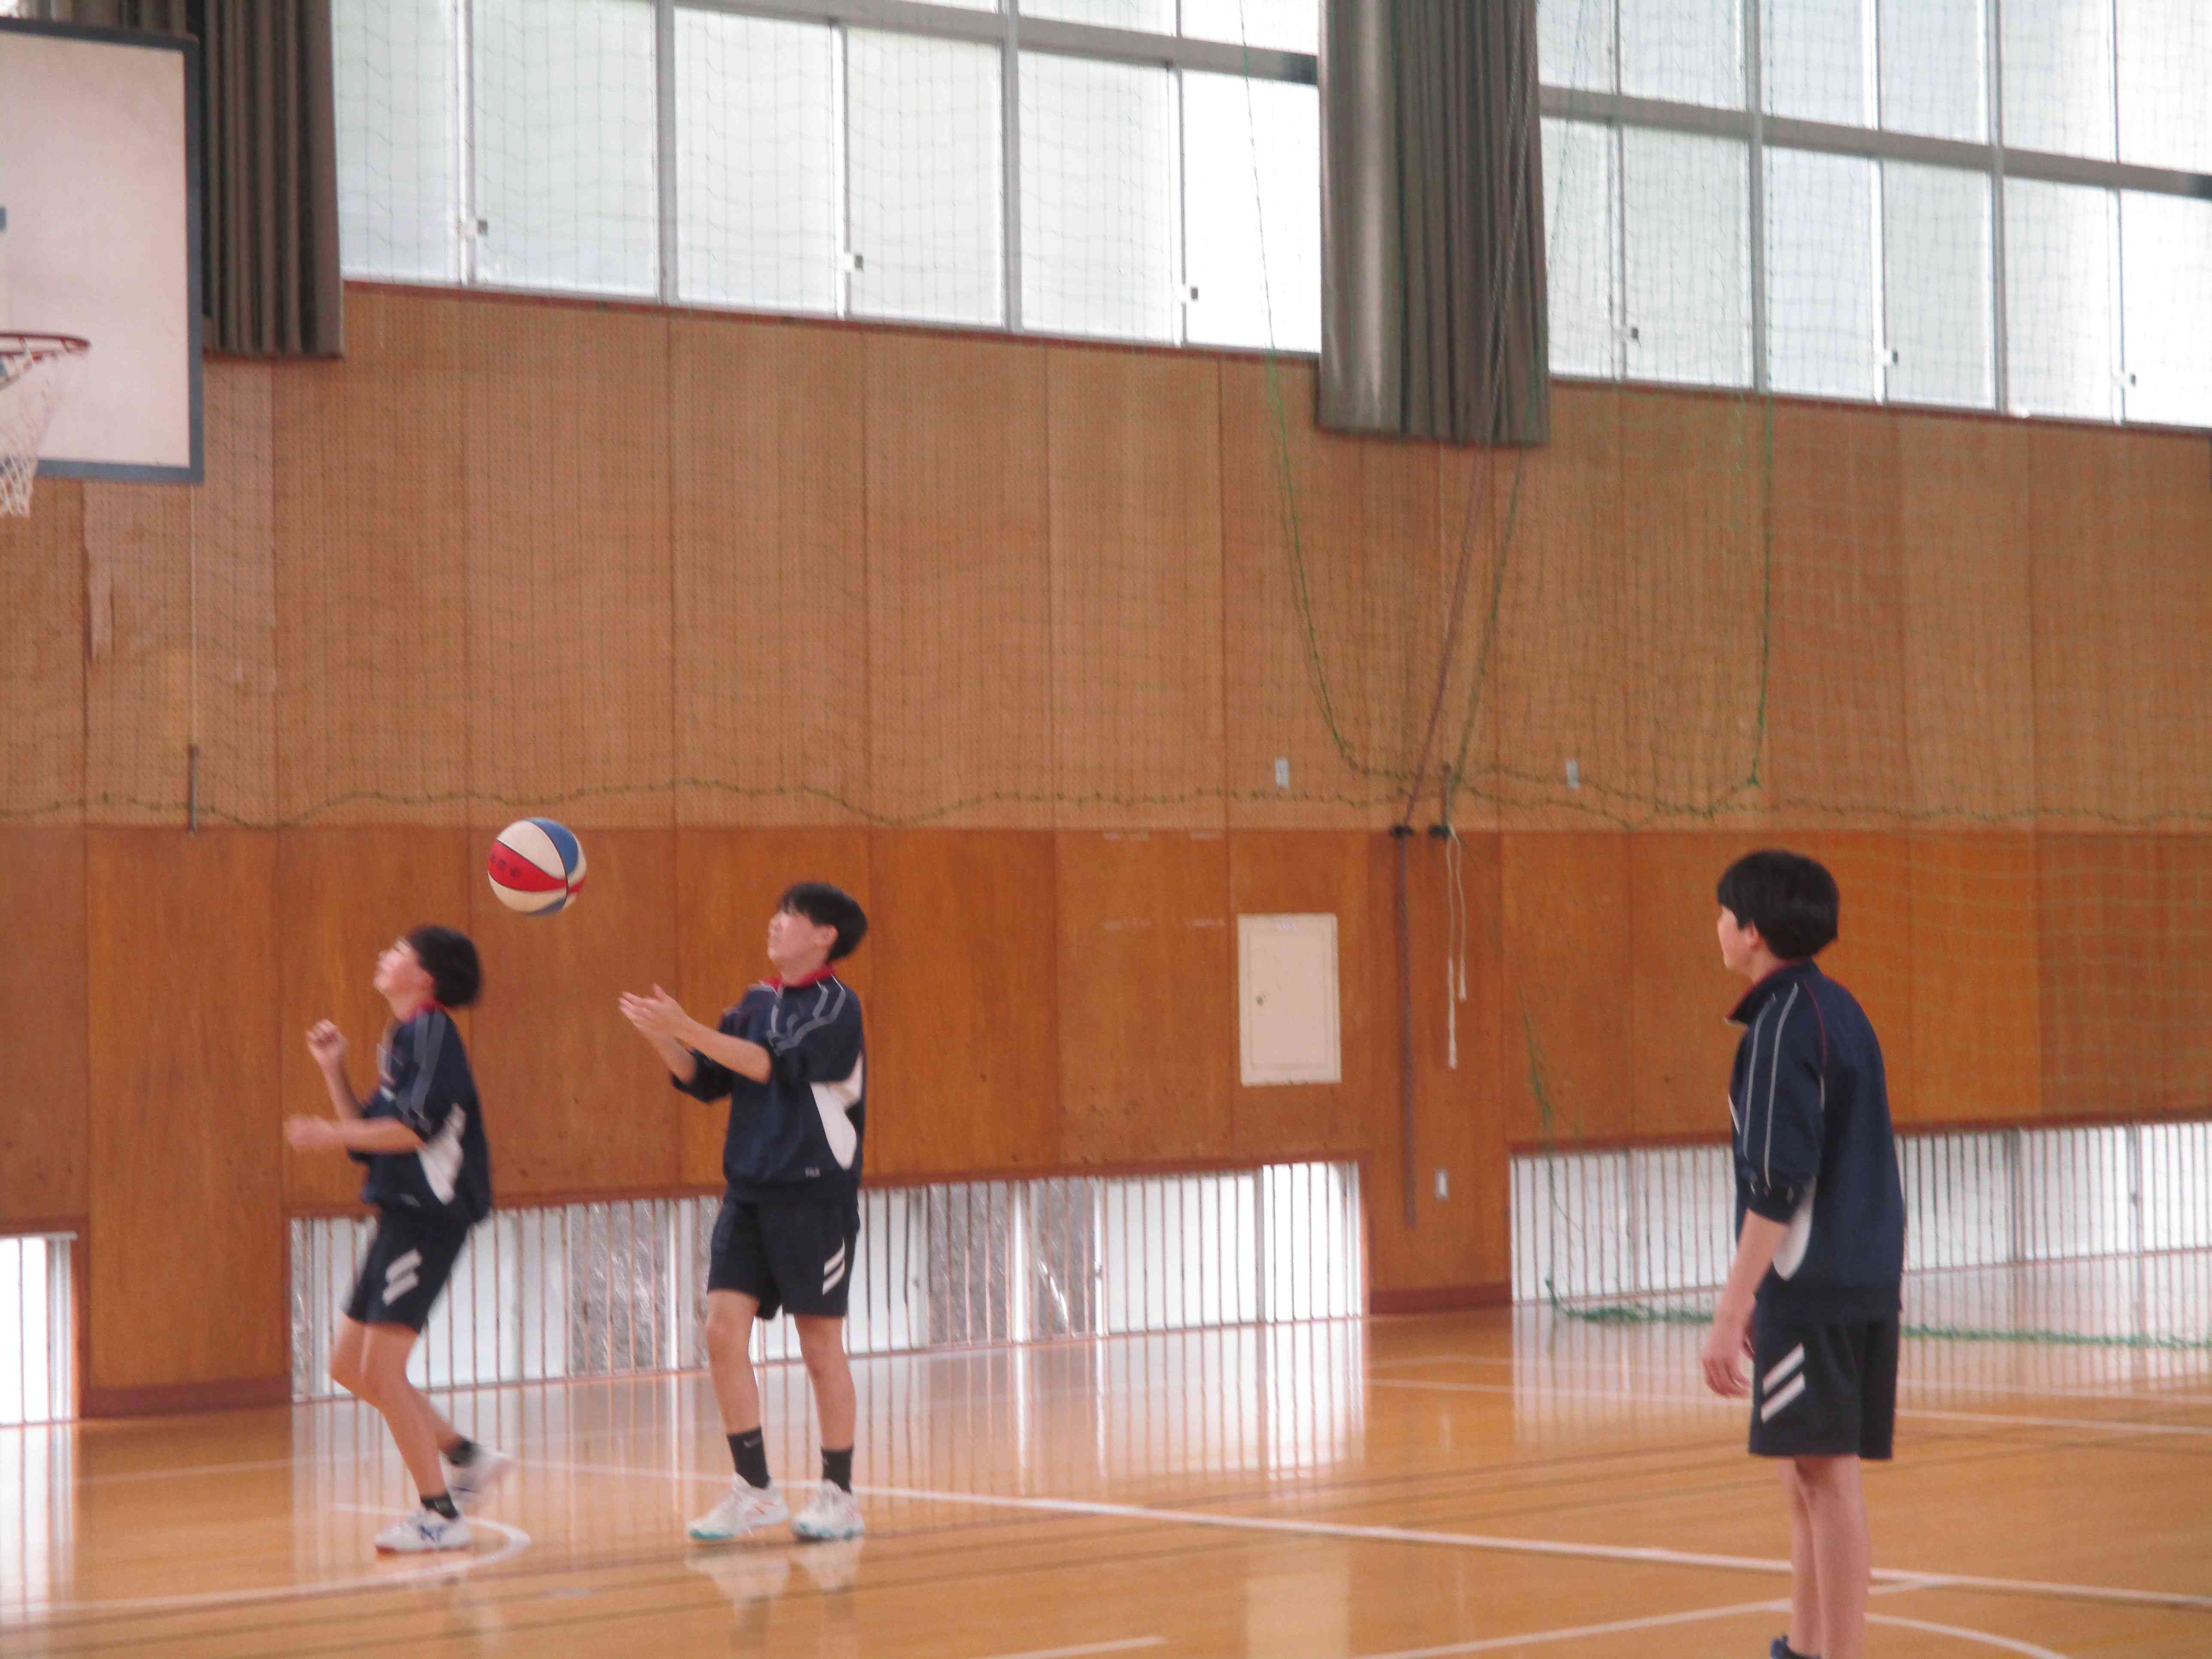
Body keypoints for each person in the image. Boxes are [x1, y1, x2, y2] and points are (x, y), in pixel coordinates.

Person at [1699, 851, 1905, 1659]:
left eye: (1724, 914)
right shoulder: (1837, 1009)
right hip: (1851, 1279)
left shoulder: (1783, 1026)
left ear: (1753, 931)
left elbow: (1778, 1183)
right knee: (1805, 1474)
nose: (1718, 927)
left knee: (1824, 1475)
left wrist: (1732, 1307)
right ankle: (1810, 1648)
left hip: (1814, 1283)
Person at [620, 882, 870, 1544]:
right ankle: (755, 1490)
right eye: (778, 911)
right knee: (721, 1331)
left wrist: (687, 1027)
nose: (775, 921)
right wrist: (663, 1038)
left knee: (819, 1345)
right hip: (750, 1192)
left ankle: (840, 1494)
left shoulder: (837, 1006)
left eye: (790, 914)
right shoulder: (755, 1002)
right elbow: (707, 1079)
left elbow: (768, 1065)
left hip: (815, 1196)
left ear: (824, 936)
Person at [284, 925, 509, 1553]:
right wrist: (334, 1071)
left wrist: (327, 1133)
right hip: (401, 1216)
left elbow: (414, 1130)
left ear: (425, 976)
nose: (384, 955)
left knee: (381, 1371)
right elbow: (369, 1137)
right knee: (346, 1367)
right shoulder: (404, 1038)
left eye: (399, 951)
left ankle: (441, 1515)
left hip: (430, 1217)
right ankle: (467, 1457)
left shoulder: (432, 1032)